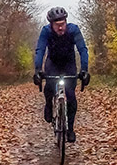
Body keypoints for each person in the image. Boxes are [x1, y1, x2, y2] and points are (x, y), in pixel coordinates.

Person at [33, 7, 90, 142]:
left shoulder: (74, 30)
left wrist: (84, 70)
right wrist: (37, 70)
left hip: (69, 64)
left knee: (70, 96)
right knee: (49, 87)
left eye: (63, 24)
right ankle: (48, 105)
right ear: (51, 25)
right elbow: (40, 50)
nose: (60, 28)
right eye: (57, 25)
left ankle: (70, 129)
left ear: (66, 22)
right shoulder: (46, 32)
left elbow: (82, 49)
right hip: (52, 63)